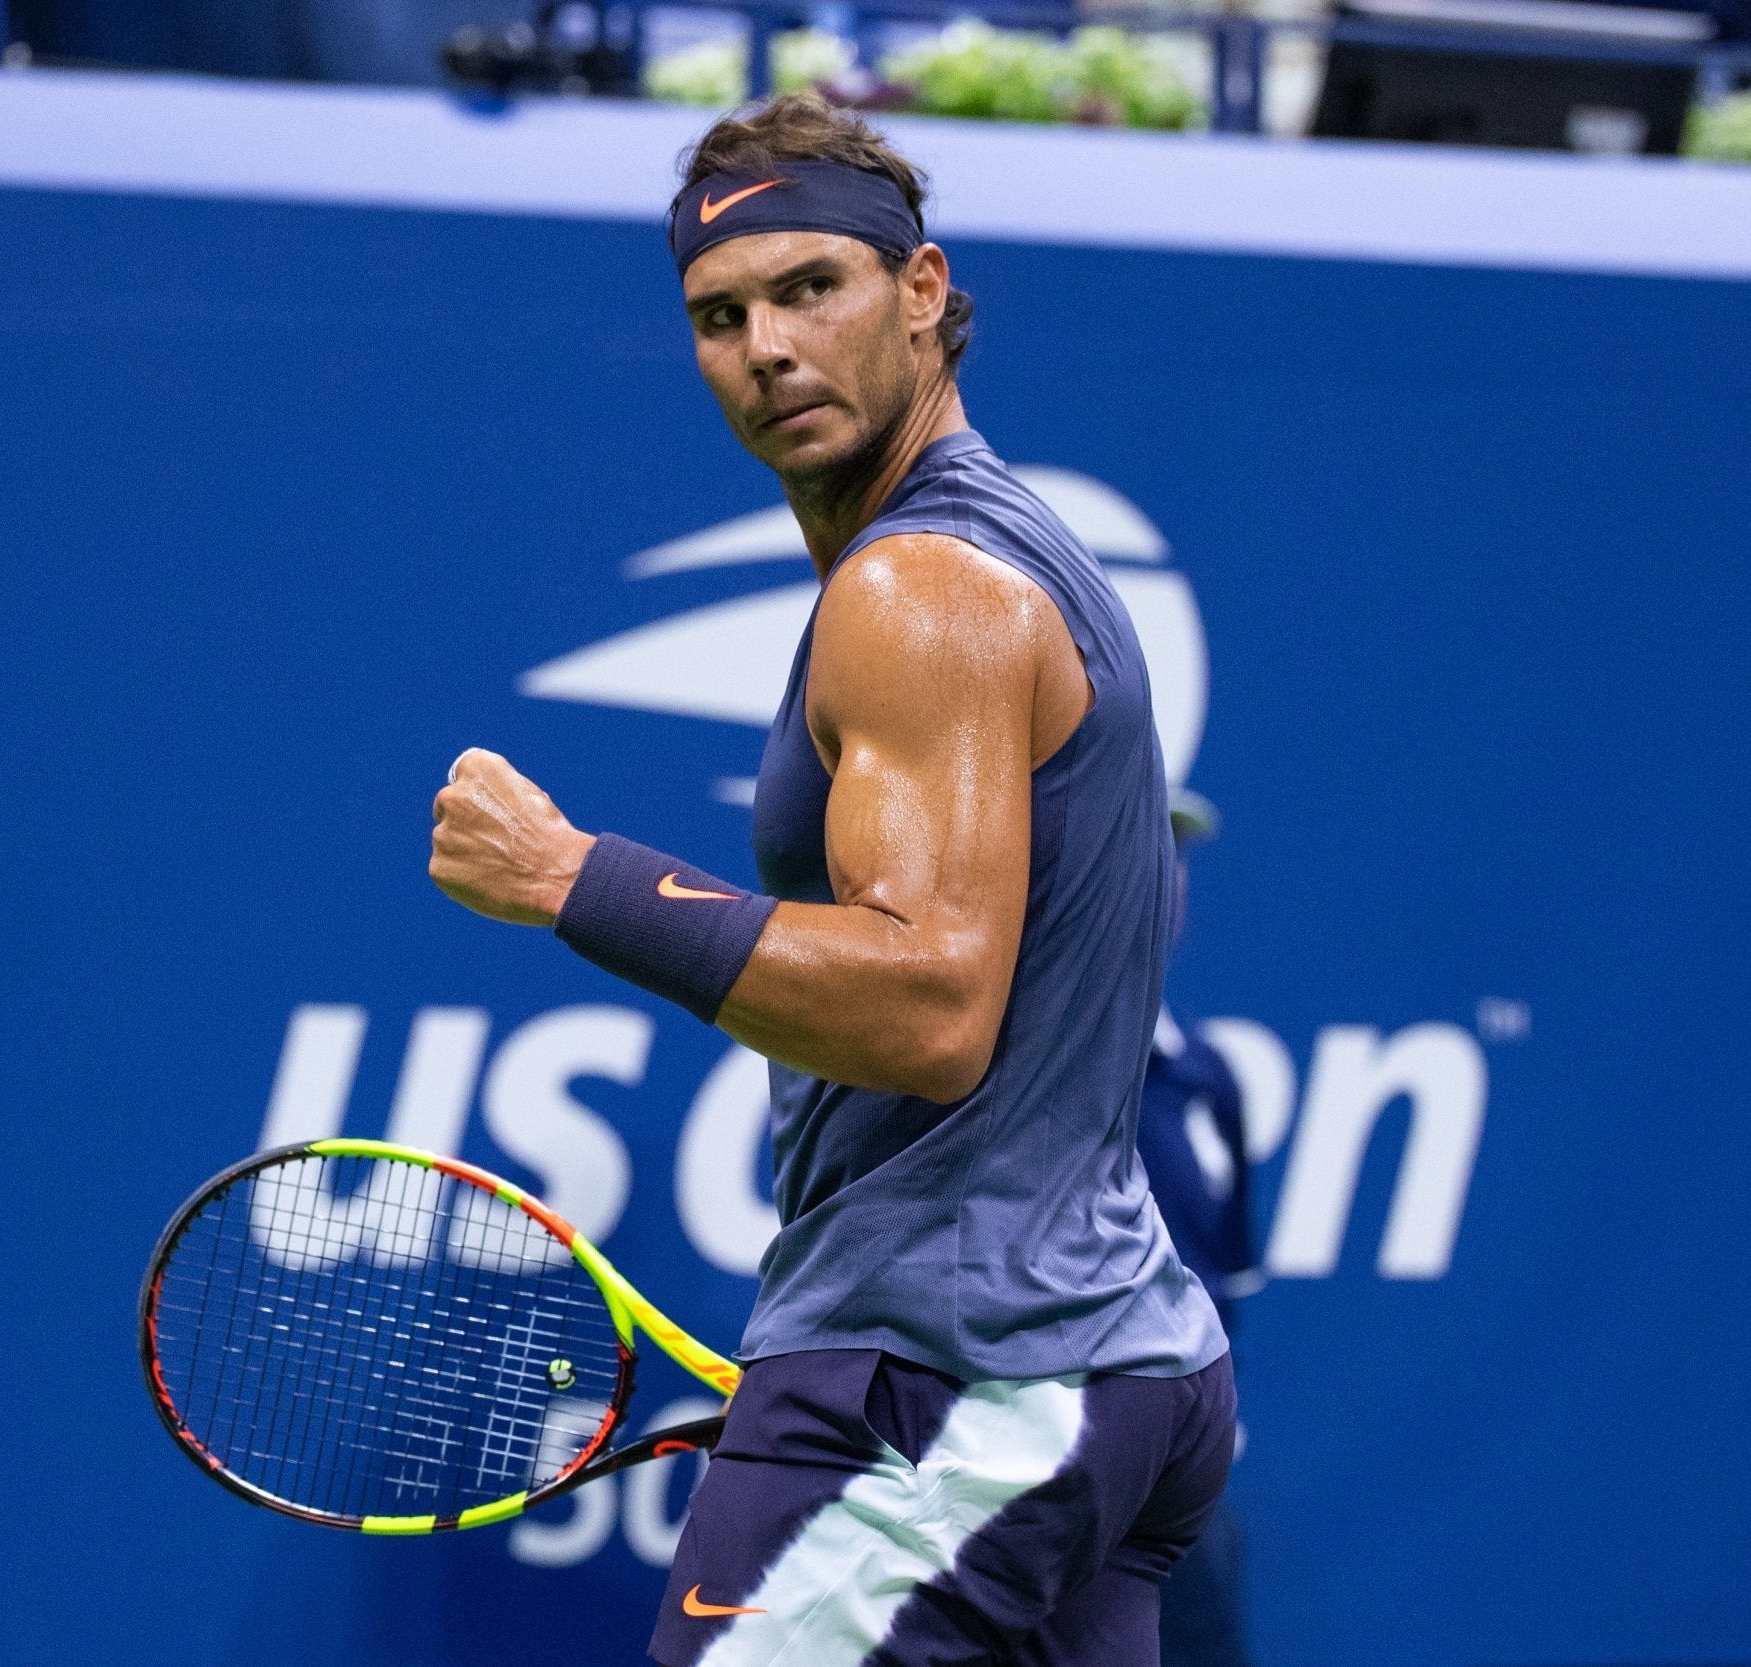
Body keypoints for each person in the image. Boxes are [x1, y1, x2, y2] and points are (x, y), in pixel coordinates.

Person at [426, 94, 1233, 1667]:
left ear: (921, 292)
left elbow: (930, 1005)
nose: (767, 347)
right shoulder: (1007, 556)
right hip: (1102, 1367)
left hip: (953, 1375)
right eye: (720, 316)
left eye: (814, 289)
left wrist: (571, 877)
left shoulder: (918, 587)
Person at [1135, 790, 1262, 1667]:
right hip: (1035, 1489)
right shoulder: (992, 1071)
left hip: (1183, 1492)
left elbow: (1229, 1291)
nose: (1161, 879)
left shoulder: (1210, 1080)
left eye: (1173, 856)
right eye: (1134, 848)